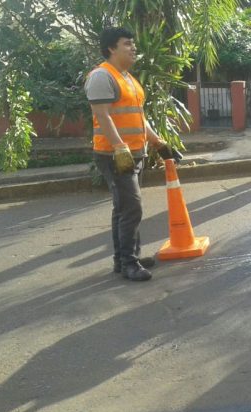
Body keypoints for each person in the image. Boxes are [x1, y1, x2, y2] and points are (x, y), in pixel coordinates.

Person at [85, 27, 179, 281]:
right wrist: (118, 146)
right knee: (132, 208)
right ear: (111, 48)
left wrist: (158, 142)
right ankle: (129, 262)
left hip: (134, 152)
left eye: (133, 43)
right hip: (114, 155)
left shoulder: (127, 78)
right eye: (127, 43)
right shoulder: (102, 76)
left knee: (123, 208)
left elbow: (139, 117)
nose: (133, 47)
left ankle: (124, 259)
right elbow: (102, 115)